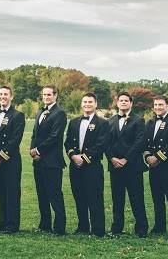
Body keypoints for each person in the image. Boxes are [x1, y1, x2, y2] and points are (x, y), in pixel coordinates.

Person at [64, 93, 108, 237]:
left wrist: (84, 158)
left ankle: (98, 229)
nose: (87, 104)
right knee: (79, 196)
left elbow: (101, 144)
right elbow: (68, 142)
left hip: (92, 166)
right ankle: (82, 226)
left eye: (90, 102)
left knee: (94, 198)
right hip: (75, 166)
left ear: (95, 104)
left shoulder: (103, 123)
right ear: (81, 104)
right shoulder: (74, 122)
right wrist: (73, 156)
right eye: (85, 102)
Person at [105, 91, 148, 237]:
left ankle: (141, 229)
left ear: (131, 103)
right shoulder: (109, 121)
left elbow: (139, 142)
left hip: (133, 167)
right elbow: (106, 144)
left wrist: (125, 159)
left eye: (126, 100)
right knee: (117, 199)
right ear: (117, 103)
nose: (123, 102)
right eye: (121, 100)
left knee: (137, 199)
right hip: (115, 166)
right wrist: (112, 158)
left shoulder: (138, 120)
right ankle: (117, 228)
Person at [0, 86, 25, 234]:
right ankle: (2, 222)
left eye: (5, 94)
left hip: (10, 162)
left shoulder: (18, 115)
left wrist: (0, 157)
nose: (3, 96)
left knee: (12, 193)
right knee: (0, 192)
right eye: (0, 94)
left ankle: (12, 225)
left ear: (11, 97)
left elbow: (15, 140)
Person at [30, 85, 67, 235]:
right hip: (38, 161)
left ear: (55, 95)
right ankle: (45, 224)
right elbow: (34, 134)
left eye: (49, 94)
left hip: (52, 162)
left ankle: (59, 227)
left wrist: (39, 150)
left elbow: (55, 137)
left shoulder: (59, 114)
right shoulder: (40, 111)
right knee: (42, 194)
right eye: (44, 94)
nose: (46, 97)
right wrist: (33, 151)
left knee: (55, 194)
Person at [144, 95, 168, 237]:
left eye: (161, 105)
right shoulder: (150, 122)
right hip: (154, 167)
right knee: (157, 198)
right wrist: (147, 157)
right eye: (156, 105)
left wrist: (157, 157)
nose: (158, 107)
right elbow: (145, 142)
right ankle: (159, 226)